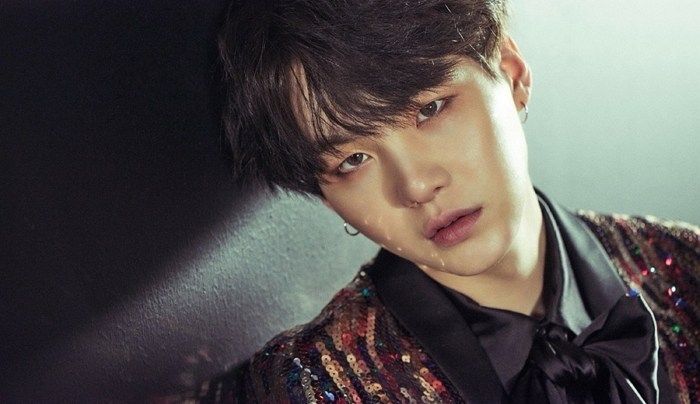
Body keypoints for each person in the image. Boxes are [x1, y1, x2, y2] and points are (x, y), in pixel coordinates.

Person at [174, 0, 699, 402]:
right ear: (326, 198)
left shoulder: (688, 265)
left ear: (512, 74)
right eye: (353, 161)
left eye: (430, 109)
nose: (415, 187)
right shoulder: (303, 385)